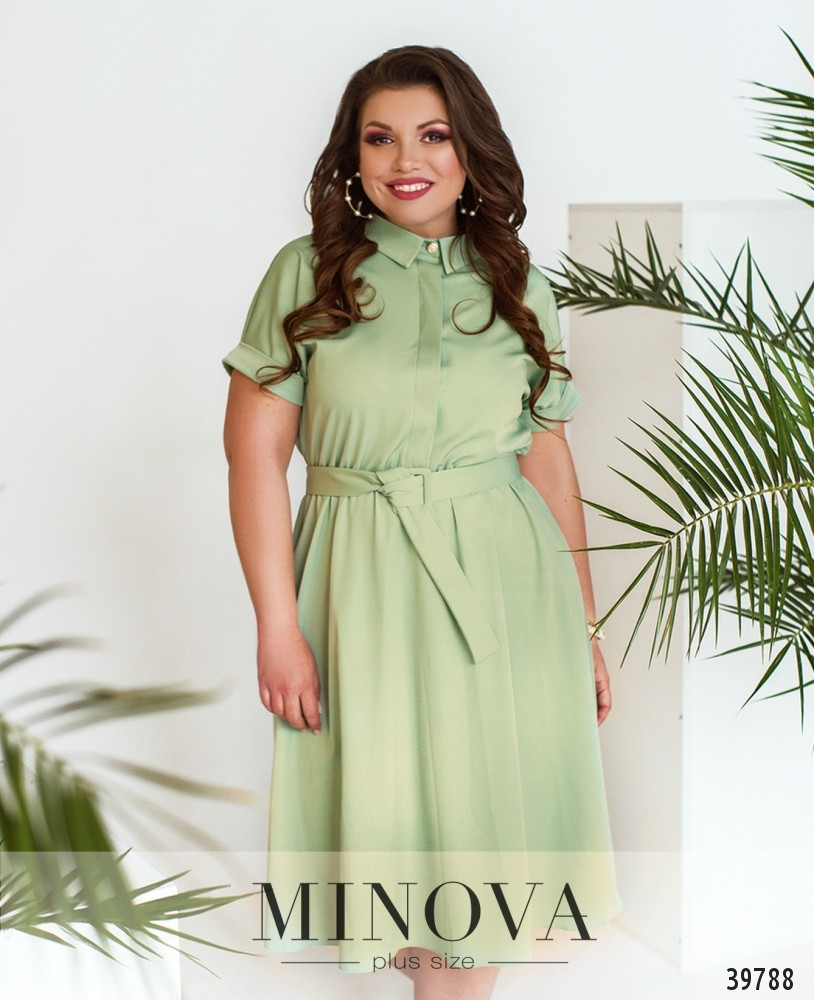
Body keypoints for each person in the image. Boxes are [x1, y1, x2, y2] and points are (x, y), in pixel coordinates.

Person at [222, 44, 620, 999]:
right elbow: (254, 458)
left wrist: (585, 624)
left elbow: (548, 460)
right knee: (392, 827)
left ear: (470, 149)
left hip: (507, 580)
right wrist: (278, 627)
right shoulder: (307, 274)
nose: (408, 159)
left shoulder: (520, 282)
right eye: (381, 138)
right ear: (352, 156)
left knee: (485, 833)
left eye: (434, 135)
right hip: (357, 577)